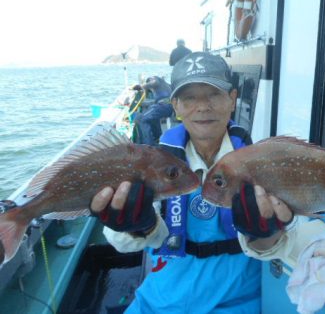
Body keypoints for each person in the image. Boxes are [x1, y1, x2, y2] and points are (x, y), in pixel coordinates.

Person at [90, 51, 295, 314]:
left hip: (239, 300)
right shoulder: (153, 164)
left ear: (232, 99)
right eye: (189, 98)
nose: (202, 107)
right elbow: (122, 243)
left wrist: (266, 233)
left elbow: (276, 246)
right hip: (162, 300)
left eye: (213, 94)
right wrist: (138, 226)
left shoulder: (259, 165)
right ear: (175, 106)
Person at [134, 76, 174, 145]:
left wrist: (141, 86)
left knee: (141, 119)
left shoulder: (155, 79)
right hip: (168, 106)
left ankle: (148, 145)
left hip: (164, 106)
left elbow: (154, 82)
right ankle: (157, 139)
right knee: (152, 116)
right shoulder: (165, 84)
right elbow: (158, 100)